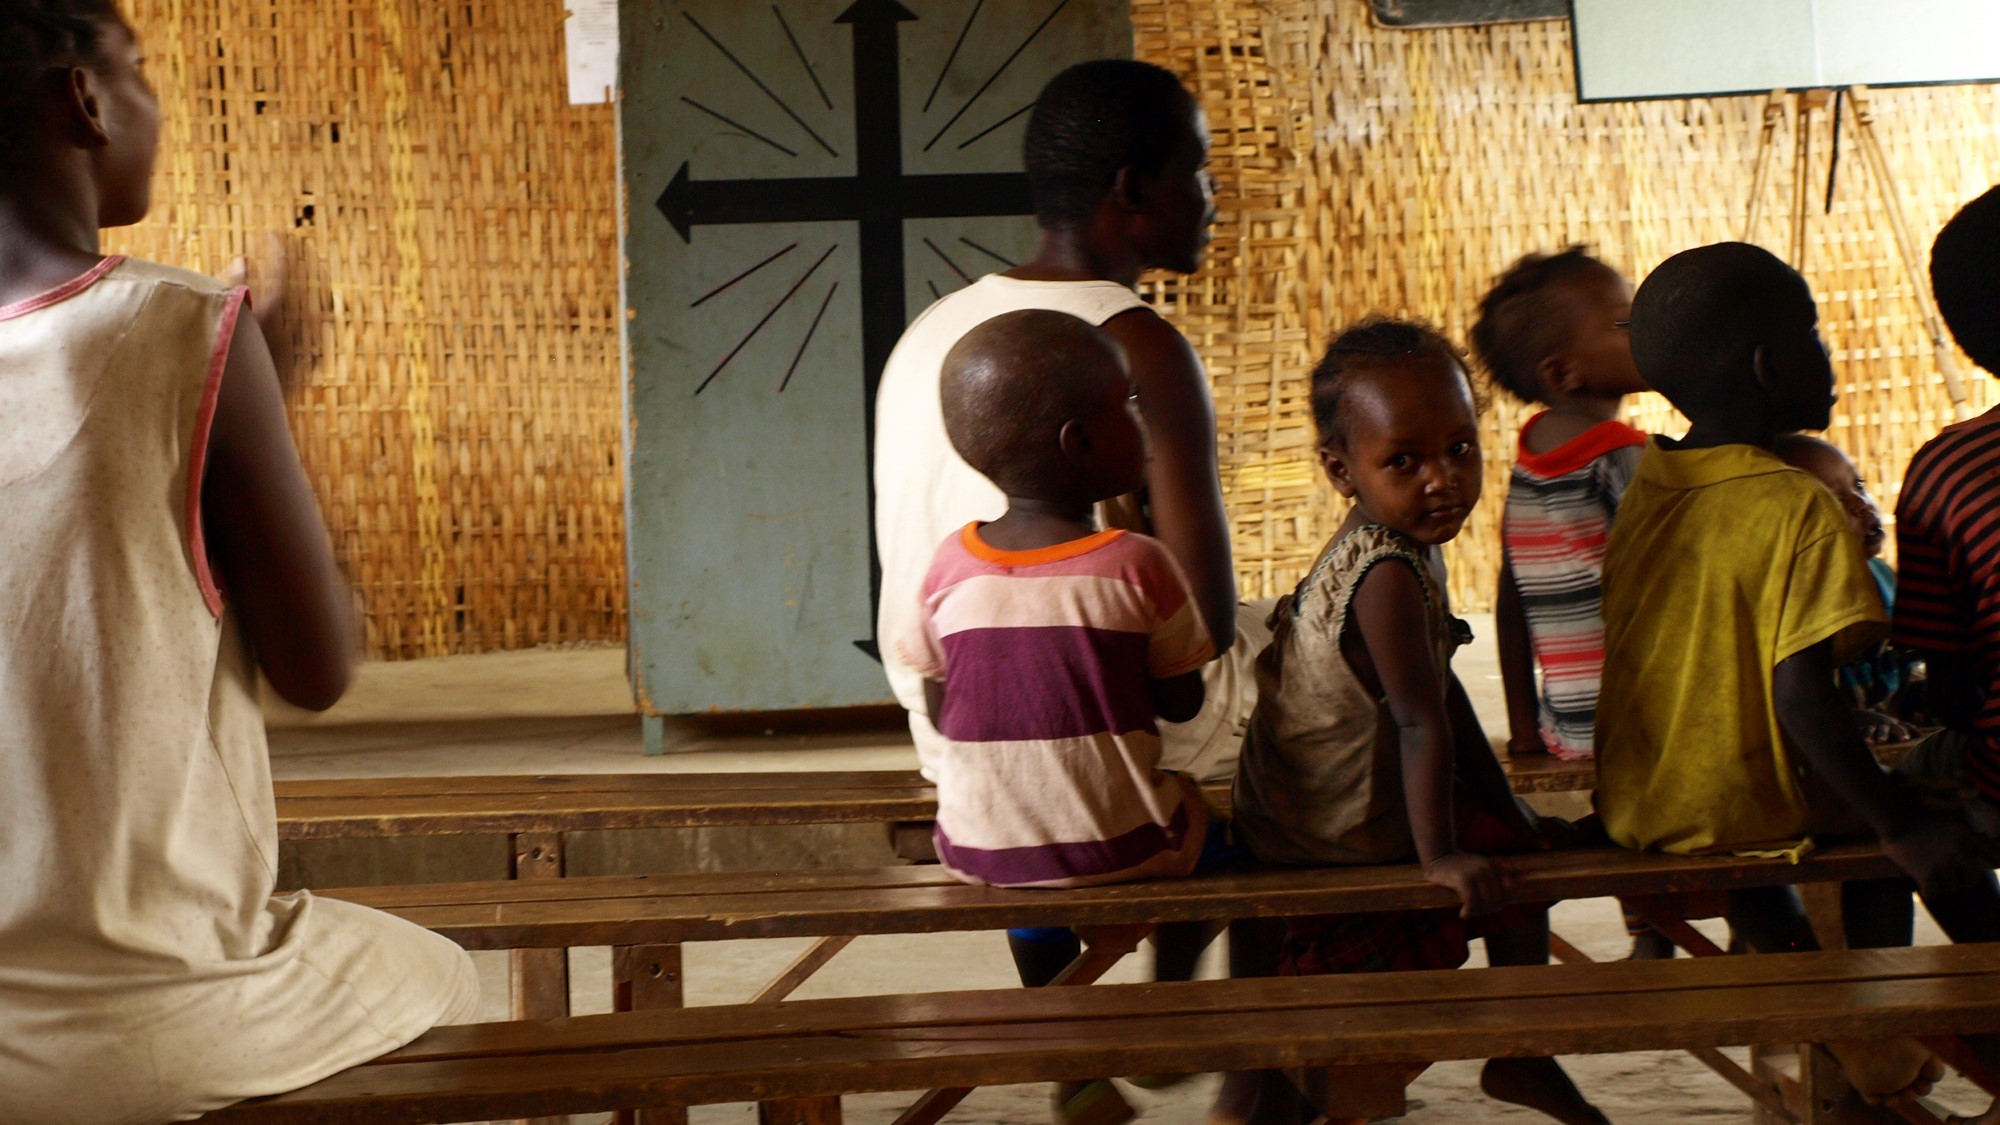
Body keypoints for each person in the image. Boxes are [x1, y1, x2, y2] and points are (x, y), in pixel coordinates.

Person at [0, 4, 477, 1121]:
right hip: (142, 1022)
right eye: (140, 72)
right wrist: (267, 397)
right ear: (83, 101)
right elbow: (317, 668)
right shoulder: (189, 329)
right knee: (450, 976)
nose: (147, 103)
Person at [1594, 241, 2000, 1105]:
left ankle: (1850, 1029)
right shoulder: (1796, 505)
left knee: (1817, 827)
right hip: (1743, 795)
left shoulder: (1652, 482)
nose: (1830, 352)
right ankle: (1905, 1026)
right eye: (1814, 334)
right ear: (1773, 367)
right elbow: (1802, 699)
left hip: (1647, 796)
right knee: (1913, 824)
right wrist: (1899, 828)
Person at [1230, 318, 1606, 1125]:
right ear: (1341, 469)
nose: (1442, 478)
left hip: (1333, 799)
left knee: (1516, 845)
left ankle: (1523, 1051)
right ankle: (1522, 1051)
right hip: (1330, 827)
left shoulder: (1405, 539)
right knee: (1484, 879)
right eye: (1404, 460)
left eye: (1460, 448)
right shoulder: (1386, 571)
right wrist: (1440, 855)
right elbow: (1416, 724)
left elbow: (1439, 700)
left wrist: (1508, 809)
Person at [875, 58, 1263, 790]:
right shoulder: (1139, 344)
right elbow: (1202, 634)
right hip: (1107, 734)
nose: (1212, 199)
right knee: (1361, 645)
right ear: (1134, 189)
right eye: (1198, 172)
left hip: (954, 737)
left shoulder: (929, 329)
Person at [898, 309, 1216, 1124]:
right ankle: (1172, 1004)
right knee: (1218, 819)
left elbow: (942, 700)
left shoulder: (947, 563)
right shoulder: (1139, 563)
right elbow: (1185, 700)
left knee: (1025, 842)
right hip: (1121, 847)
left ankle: (1067, 1041)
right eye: (1129, 404)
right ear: (1082, 444)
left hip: (979, 846)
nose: (1143, 418)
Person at [1470, 247, 1650, 763]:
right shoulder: (1623, 459)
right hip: (1645, 720)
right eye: (1625, 322)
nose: (1646, 328)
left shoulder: (1529, 465)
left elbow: (1512, 605)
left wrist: (1525, 730)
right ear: (1563, 373)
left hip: (1567, 731)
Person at [1771, 433, 1919, 744]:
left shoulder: (1883, 578)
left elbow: (1901, 676)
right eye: (1833, 499)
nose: (1861, 505)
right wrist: (1851, 719)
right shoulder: (1790, 606)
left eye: (1859, 485)